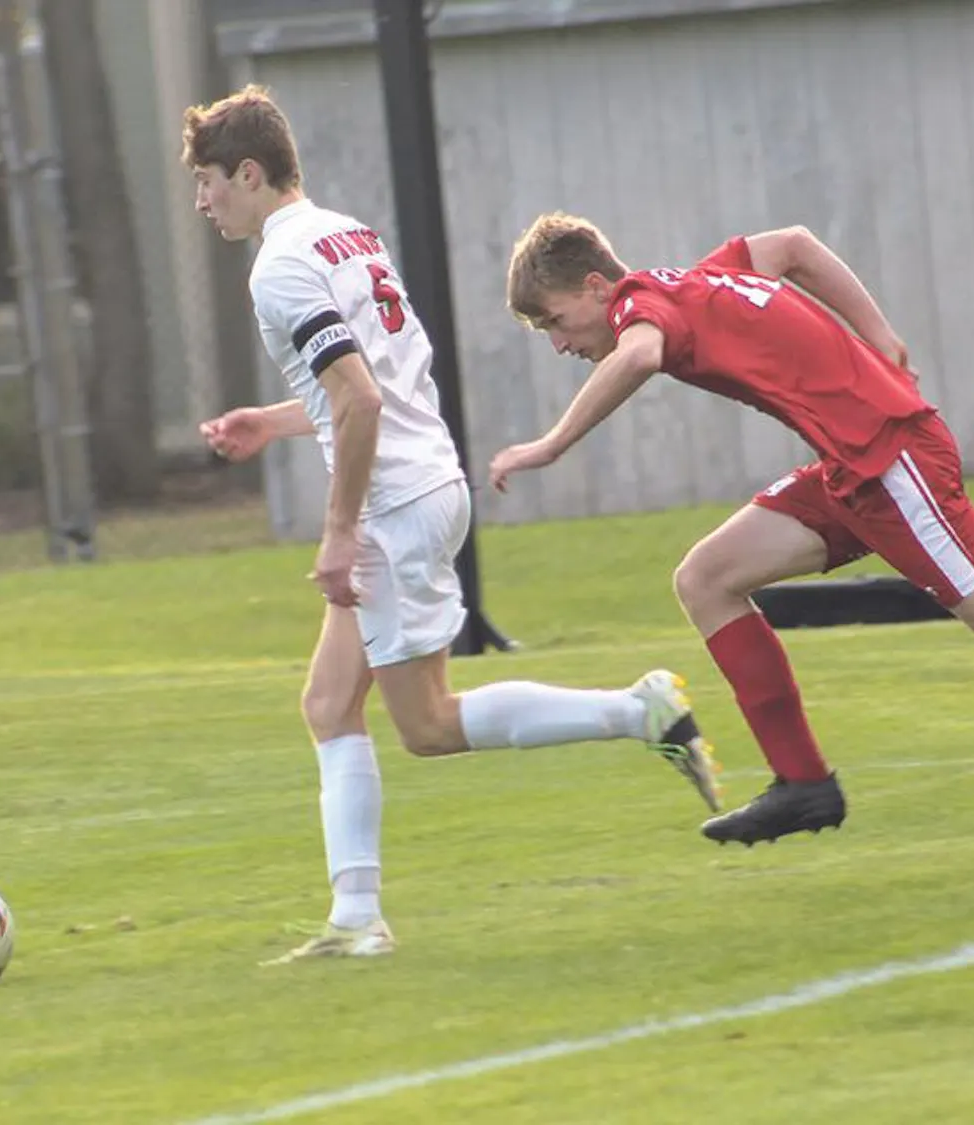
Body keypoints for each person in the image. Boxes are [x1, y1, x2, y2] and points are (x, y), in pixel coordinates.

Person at [181, 89, 722, 962]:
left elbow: (358, 398)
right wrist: (272, 420)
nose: (203, 202)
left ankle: (638, 711)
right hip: (427, 480)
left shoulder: (278, 267)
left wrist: (339, 530)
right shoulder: (345, 231)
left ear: (249, 172)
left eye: (208, 182)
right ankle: (356, 919)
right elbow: (365, 387)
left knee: (427, 725)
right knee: (327, 703)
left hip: (394, 504)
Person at [489, 213, 974, 846]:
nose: (560, 344)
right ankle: (802, 785)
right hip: (852, 470)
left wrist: (551, 445)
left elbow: (642, 353)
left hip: (893, 464)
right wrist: (882, 339)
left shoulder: (640, 309)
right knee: (707, 578)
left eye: (555, 322)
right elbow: (793, 245)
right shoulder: (699, 279)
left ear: (597, 286)